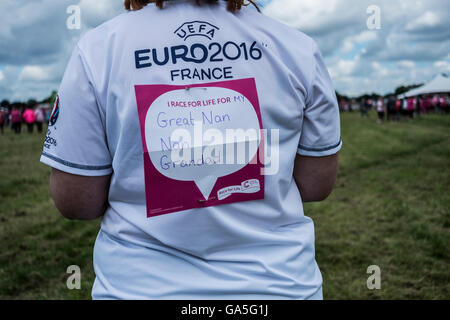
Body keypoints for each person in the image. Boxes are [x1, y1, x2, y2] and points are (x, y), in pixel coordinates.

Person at [40, 0, 341, 300]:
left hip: (140, 289)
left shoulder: (98, 50)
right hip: (277, 286)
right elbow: (315, 185)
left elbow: (77, 202)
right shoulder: (295, 48)